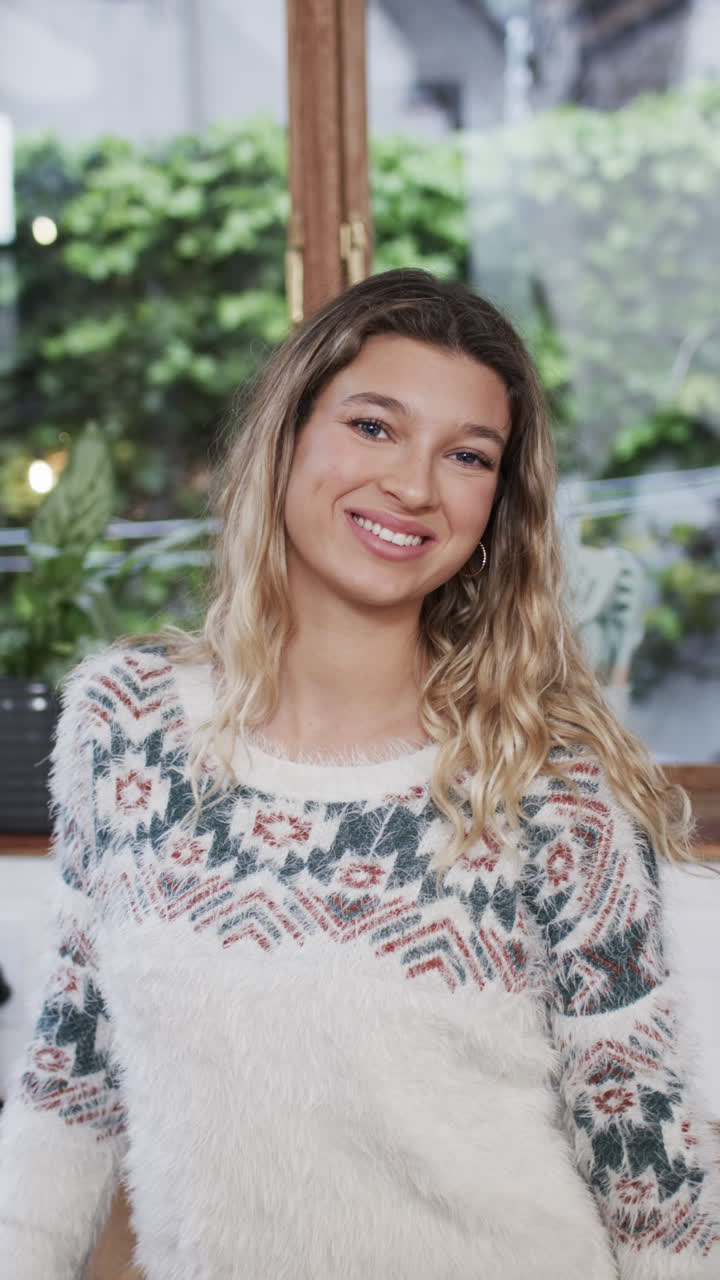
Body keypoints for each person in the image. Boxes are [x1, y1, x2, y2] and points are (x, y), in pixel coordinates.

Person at [0, 269, 717, 1280]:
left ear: (496, 505)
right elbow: (70, 1082)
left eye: (468, 455)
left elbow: (647, 1167)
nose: (415, 485)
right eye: (375, 426)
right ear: (287, 433)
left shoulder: (551, 786)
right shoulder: (126, 727)